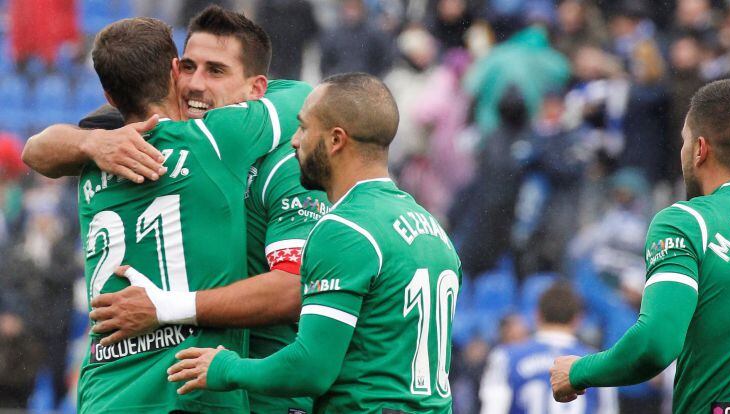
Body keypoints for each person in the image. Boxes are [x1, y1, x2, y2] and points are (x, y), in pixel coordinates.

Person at [23, 6, 327, 413]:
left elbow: (291, 290)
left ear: (256, 89)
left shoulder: (101, 155)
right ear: (171, 71)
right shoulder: (211, 140)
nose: (197, 84)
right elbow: (306, 97)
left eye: (215, 71)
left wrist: (88, 146)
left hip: (115, 392)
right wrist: (88, 142)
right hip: (194, 390)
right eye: (188, 67)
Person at [167, 73, 463, 413]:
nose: (294, 141)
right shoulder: (432, 229)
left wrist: (225, 368)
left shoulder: (345, 228)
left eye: (304, 128)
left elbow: (310, 369)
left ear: (336, 140)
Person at [550, 78, 730, 413]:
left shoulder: (688, 222)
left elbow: (656, 343)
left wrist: (578, 372)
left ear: (700, 149)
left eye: (683, 141)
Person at [480, 282, 616, 414]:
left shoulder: (506, 356)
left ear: (537, 315)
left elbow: (493, 409)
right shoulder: (597, 363)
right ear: (577, 319)